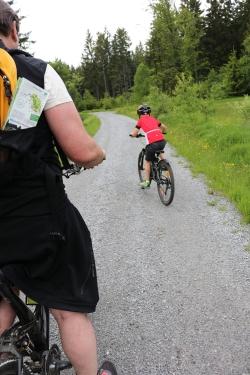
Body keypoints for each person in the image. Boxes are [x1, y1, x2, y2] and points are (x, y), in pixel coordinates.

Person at [0, 2, 116, 375]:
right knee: (70, 309)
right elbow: (80, 150)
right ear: (13, 29)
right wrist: (97, 155)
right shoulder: (34, 76)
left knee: (3, 299)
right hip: (37, 218)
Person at [129, 104, 167, 188]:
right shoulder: (153, 118)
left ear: (139, 114)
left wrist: (132, 135)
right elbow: (164, 127)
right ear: (149, 113)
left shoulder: (141, 120)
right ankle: (165, 164)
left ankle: (146, 182)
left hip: (152, 143)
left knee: (147, 161)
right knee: (159, 149)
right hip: (162, 141)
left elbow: (134, 133)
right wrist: (162, 132)